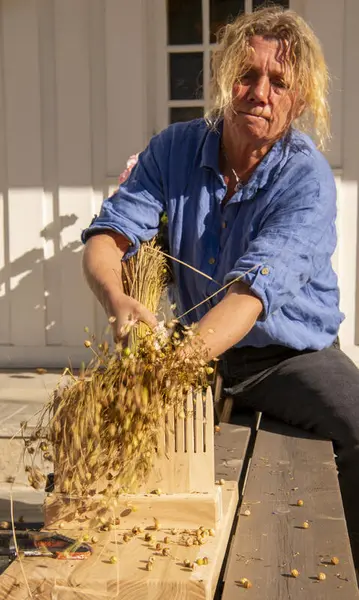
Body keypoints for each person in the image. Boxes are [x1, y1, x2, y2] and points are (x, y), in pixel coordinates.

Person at [81, 6, 359, 567]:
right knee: (109, 448)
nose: (260, 92)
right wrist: (117, 299)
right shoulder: (174, 148)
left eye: (279, 82)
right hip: (200, 350)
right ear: (222, 77)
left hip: (288, 356)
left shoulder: (305, 178)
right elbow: (108, 237)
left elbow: (250, 294)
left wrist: (170, 367)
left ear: (298, 100)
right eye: (247, 75)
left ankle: (342, 568)